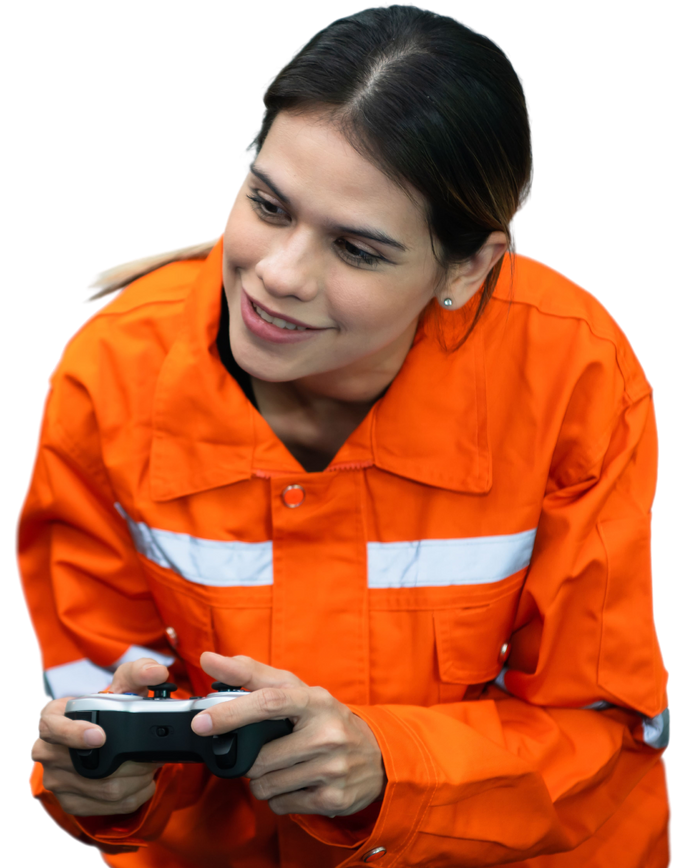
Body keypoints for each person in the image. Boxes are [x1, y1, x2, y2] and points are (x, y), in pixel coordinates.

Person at [17, 5, 670, 867]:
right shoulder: (112, 372)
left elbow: (601, 728)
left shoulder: (573, 372)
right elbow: (96, 703)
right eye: (269, 204)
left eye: (357, 250)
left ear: (468, 267)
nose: (278, 277)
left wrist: (389, 771)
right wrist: (104, 790)